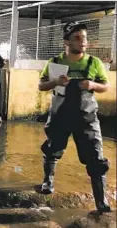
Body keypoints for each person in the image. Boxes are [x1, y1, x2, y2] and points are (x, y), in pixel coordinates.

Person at [38, 21, 111, 213]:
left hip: (86, 118)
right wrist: (55, 81)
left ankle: (101, 201)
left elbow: (105, 86)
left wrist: (93, 85)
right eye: (77, 38)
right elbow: (41, 86)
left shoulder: (93, 63)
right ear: (66, 42)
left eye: (84, 38)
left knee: (96, 157)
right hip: (60, 115)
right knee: (53, 149)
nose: (83, 42)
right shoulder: (55, 62)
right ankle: (48, 181)